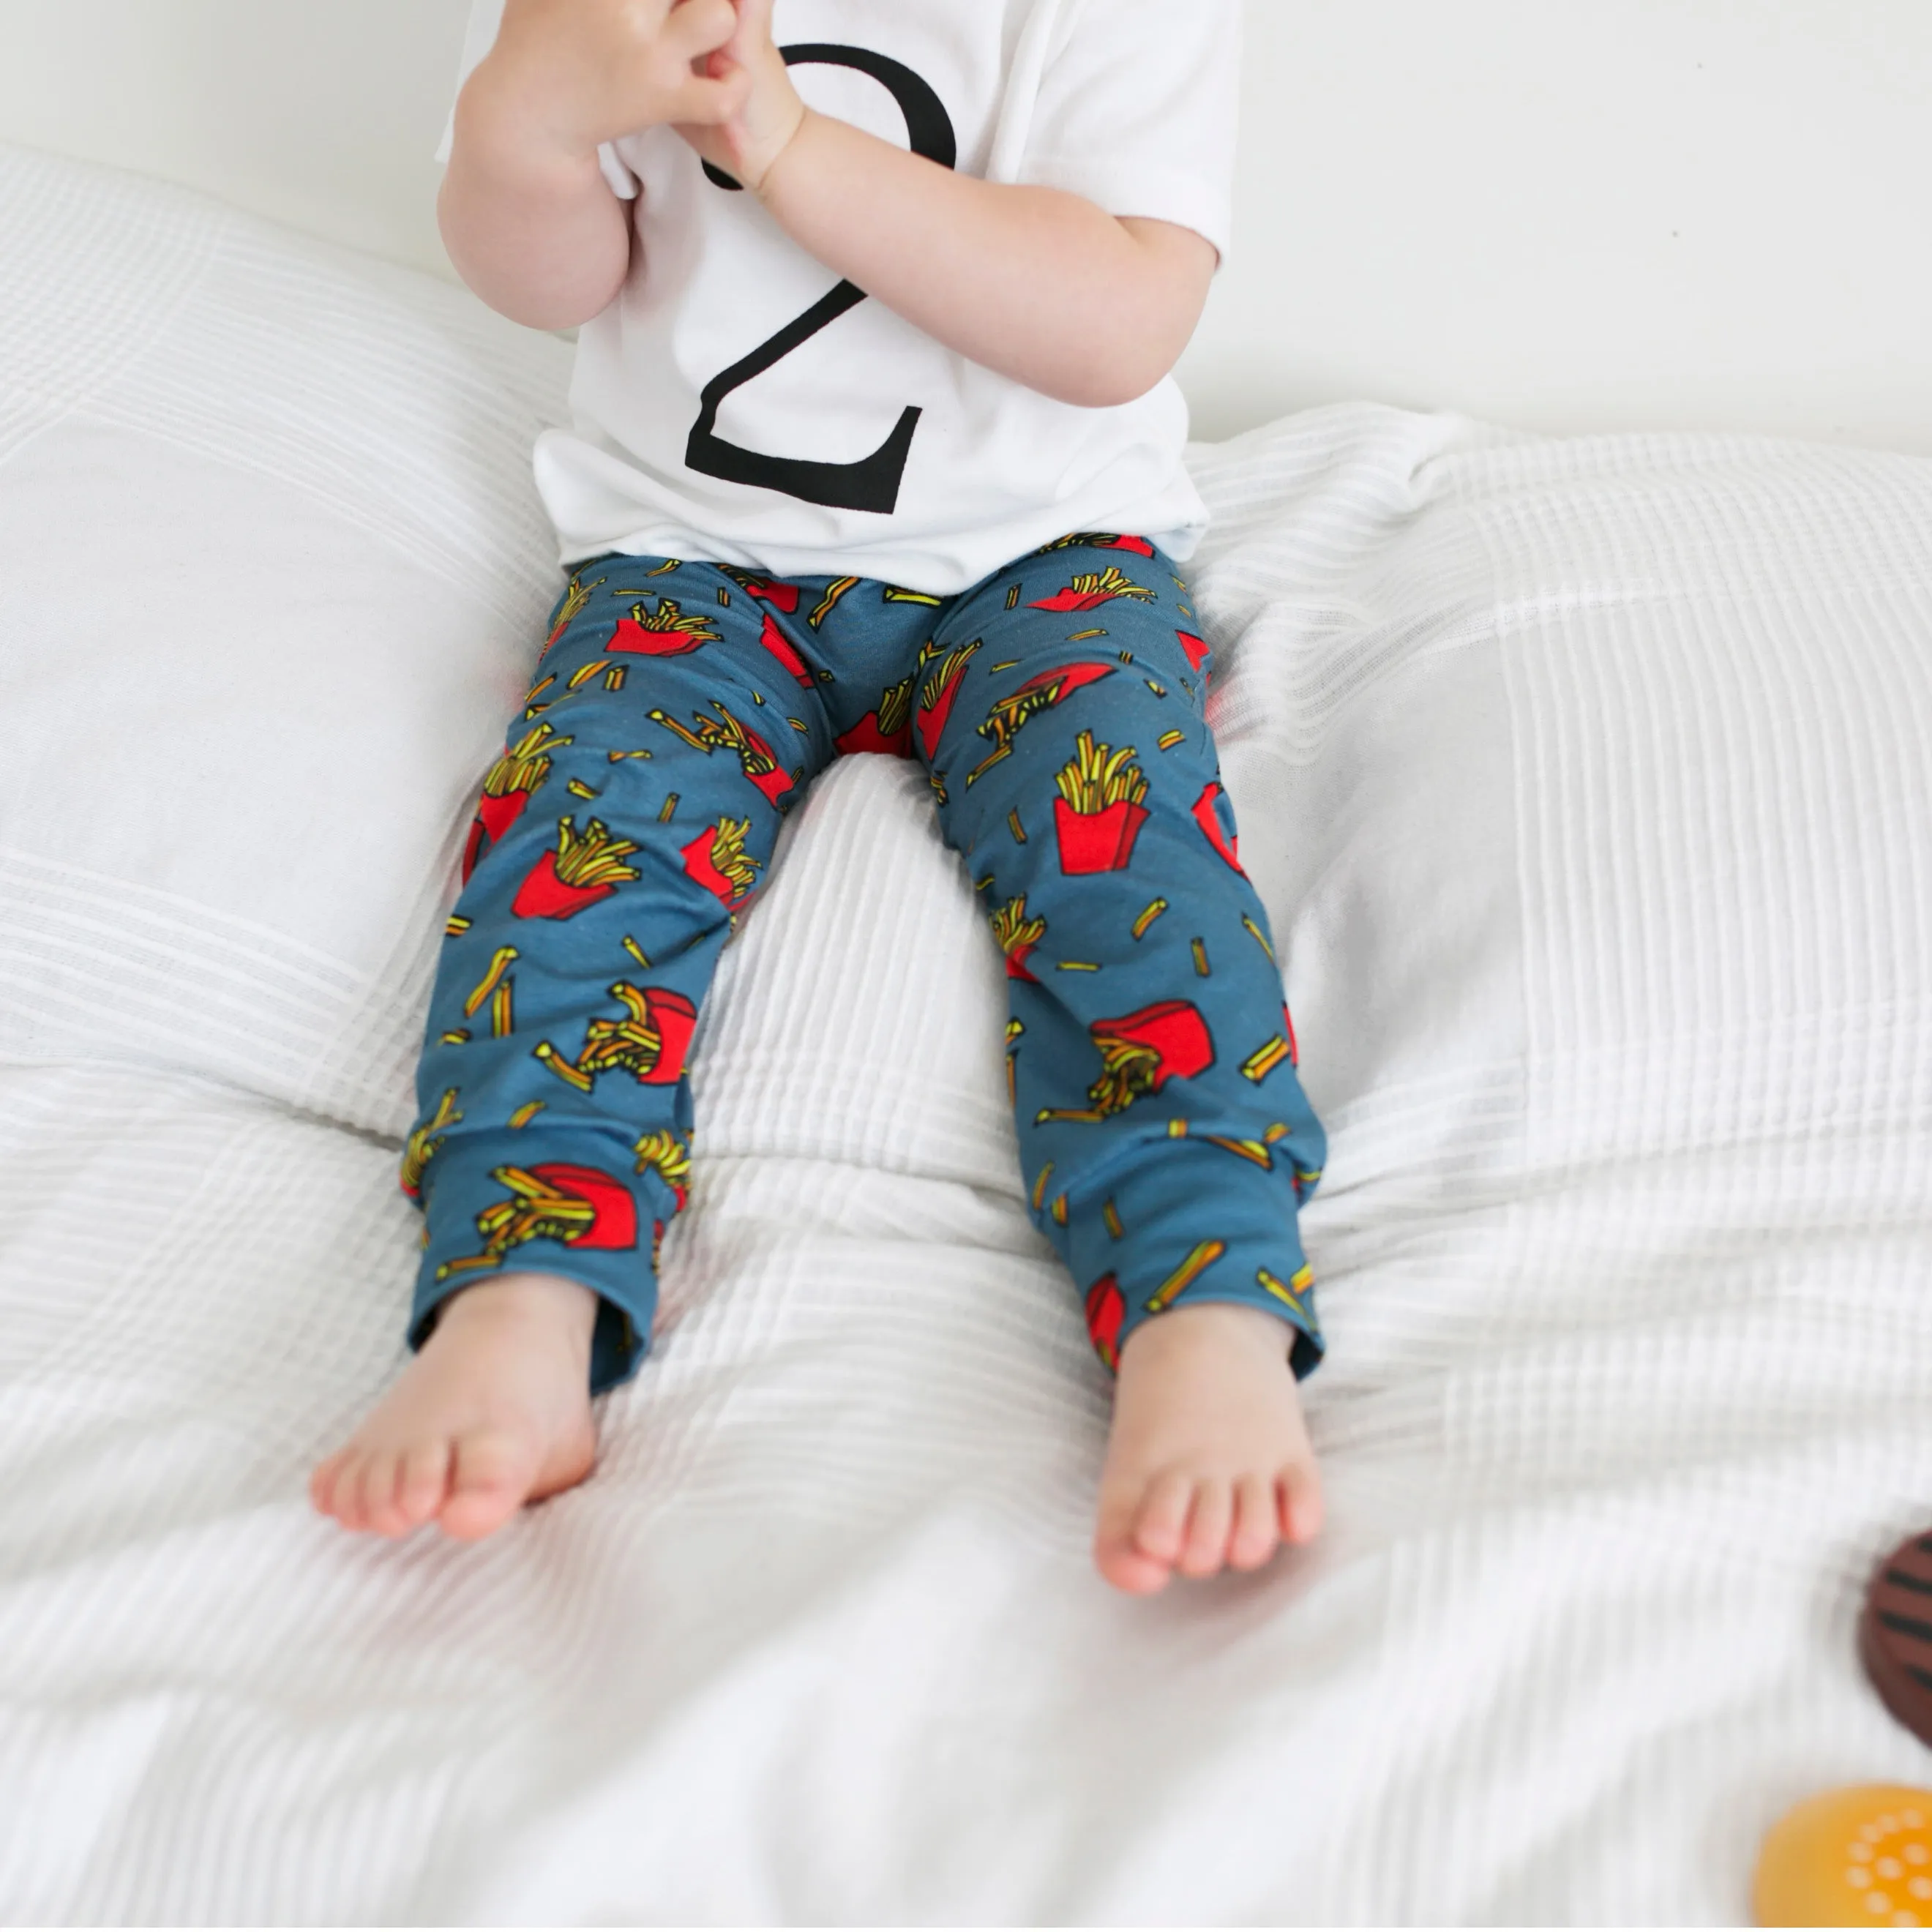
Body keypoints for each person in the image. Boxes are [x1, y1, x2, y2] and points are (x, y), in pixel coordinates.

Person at [310, 0, 1329, 1595]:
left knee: (1131, 874)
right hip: (690, 562)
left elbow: (1118, 320)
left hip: (1041, 562)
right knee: (582, 848)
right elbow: (546, 280)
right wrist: (526, 123)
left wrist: (787, 147)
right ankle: (524, 1291)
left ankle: (1207, 1298)